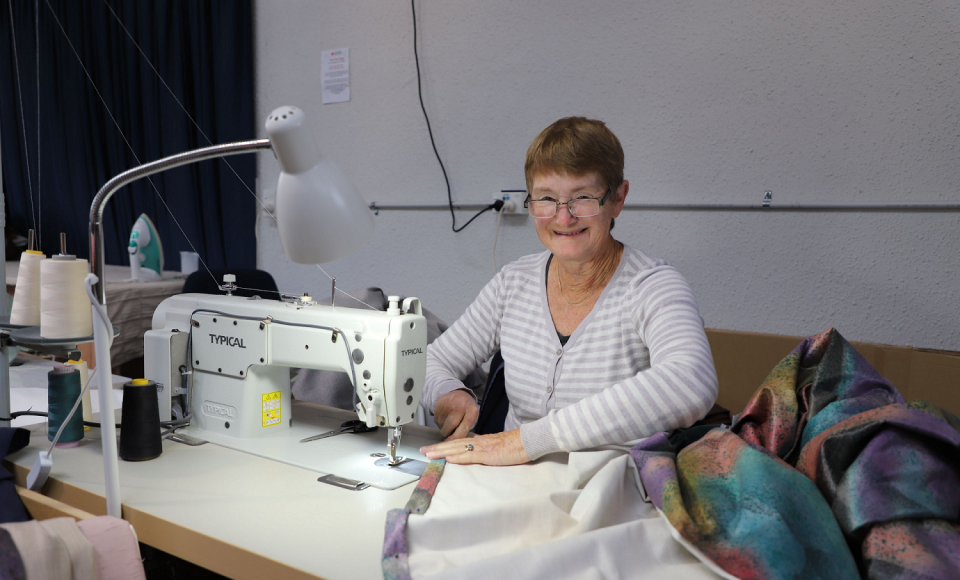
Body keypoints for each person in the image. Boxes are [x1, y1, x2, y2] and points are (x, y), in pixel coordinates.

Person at [420, 117, 718, 466]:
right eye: (546, 199)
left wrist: (525, 442)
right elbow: (430, 361)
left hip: (610, 492)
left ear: (618, 199)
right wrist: (447, 394)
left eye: (583, 198)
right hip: (513, 483)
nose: (564, 218)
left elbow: (690, 380)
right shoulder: (513, 283)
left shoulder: (651, 285)